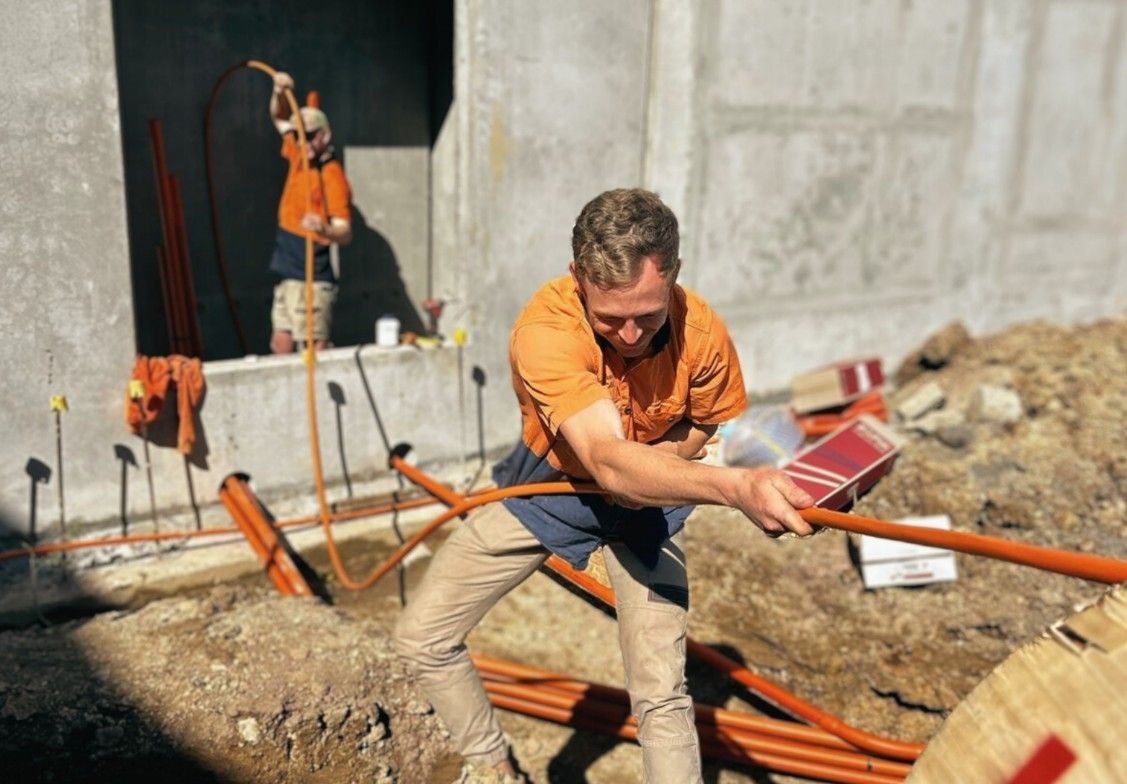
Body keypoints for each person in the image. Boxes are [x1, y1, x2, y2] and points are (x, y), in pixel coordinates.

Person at [394, 189, 816, 784]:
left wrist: (670, 466)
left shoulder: (703, 332)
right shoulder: (545, 329)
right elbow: (608, 461)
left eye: (648, 315)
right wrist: (735, 487)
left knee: (662, 695)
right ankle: (492, 767)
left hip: (651, 509)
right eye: (610, 318)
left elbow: (703, 420)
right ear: (578, 279)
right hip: (548, 490)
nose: (630, 335)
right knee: (423, 637)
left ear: (673, 276)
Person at [267, 71, 353, 354]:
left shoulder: (332, 175)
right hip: (287, 267)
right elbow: (279, 118)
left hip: (313, 276)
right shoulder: (298, 153)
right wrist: (279, 92)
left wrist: (324, 229)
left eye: (310, 137)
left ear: (325, 136)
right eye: (299, 136)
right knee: (282, 341)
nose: (303, 143)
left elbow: (345, 232)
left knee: (314, 346)